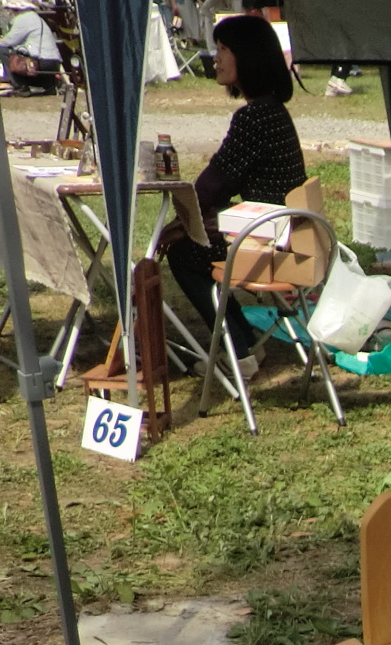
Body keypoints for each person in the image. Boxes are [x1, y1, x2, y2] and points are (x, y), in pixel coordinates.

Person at [161, 13, 303, 380]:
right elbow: (218, 186)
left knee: (185, 254)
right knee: (193, 243)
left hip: (271, 240)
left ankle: (239, 351)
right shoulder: (272, 111)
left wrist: (176, 227)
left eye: (224, 49)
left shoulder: (254, 118)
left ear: (248, 56)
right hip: (289, 232)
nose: (216, 58)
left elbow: (211, 186)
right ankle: (244, 345)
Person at [0, 0, 63, 96]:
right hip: (53, 64)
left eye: (10, 10)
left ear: (16, 9)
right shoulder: (36, 18)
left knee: (3, 50)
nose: (9, 13)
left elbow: (9, 41)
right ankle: (50, 85)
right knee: (17, 52)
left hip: (39, 64)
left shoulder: (23, 18)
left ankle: (20, 86)